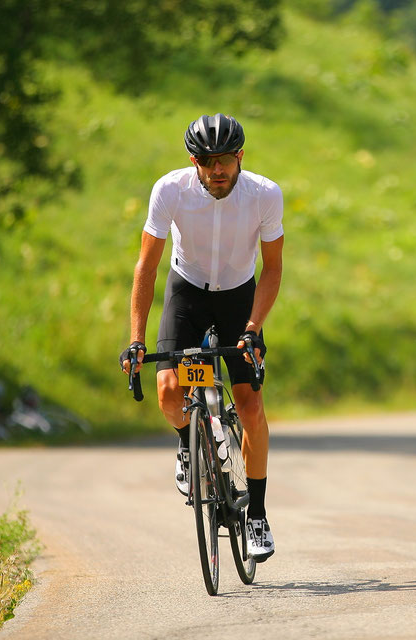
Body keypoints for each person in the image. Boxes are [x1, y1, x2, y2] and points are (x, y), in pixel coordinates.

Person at [120, 114, 283, 561]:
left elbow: (272, 270)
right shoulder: (169, 190)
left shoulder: (265, 195)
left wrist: (252, 327)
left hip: (238, 301)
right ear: (194, 161)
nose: (218, 170)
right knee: (170, 393)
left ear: (240, 158)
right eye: (208, 161)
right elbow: (147, 267)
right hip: (186, 294)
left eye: (226, 160)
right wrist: (136, 338)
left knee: (250, 407)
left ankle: (257, 516)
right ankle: (187, 445)